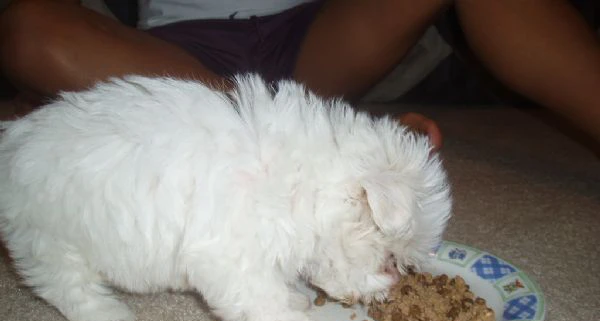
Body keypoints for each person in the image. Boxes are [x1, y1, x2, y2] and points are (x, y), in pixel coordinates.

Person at [1, 0, 599, 151]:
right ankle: (318, 137)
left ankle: (303, 129)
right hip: (178, 57)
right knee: (28, 24)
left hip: (311, 39)